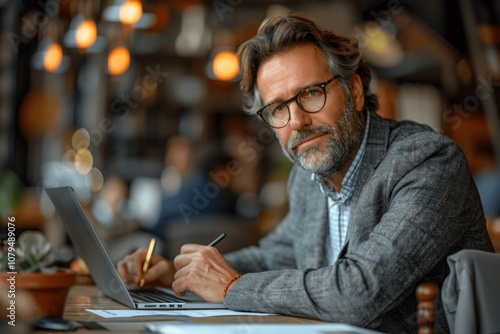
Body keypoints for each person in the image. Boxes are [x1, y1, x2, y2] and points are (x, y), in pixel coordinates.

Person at [117, 13, 494, 332]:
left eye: (312, 93)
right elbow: (274, 255)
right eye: (278, 108)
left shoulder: (427, 163)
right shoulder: (308, 178)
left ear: (356, 91)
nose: (297, 121)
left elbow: (361, 293)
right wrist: (184, 273)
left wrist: (232, 286)